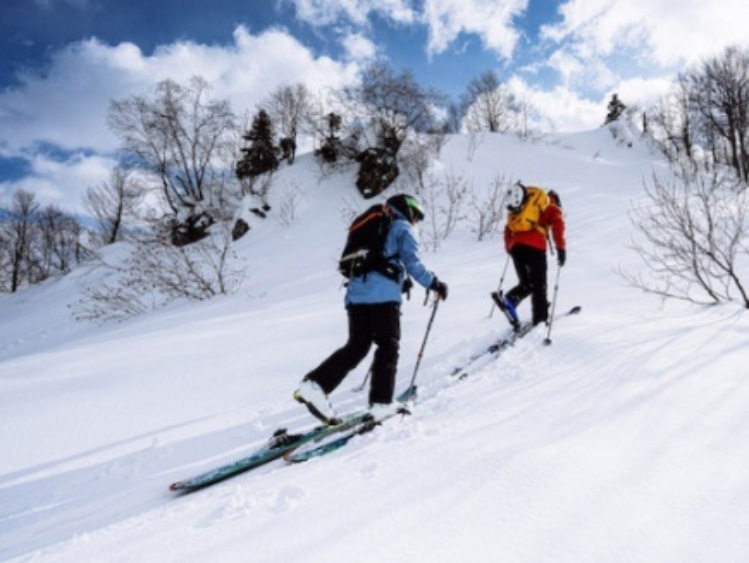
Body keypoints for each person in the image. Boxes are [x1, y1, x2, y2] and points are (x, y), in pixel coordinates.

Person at [293, 194, 448, 425]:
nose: (415, 222)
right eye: (416, 216)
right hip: (383, 298)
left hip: (356, 296)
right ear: (408, 210)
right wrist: (435, 283)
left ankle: (315, 385)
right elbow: (414, 264)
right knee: (388, 345)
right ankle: (381, 403)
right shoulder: (402, 227)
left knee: (357, 346)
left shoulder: (374, 226)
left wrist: (400, 279)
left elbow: (379, 260)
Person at [500, 184, 566, 327]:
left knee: (527, 283)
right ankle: (541, 319)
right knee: (539, 284)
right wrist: (561, 248)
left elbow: (507, 228)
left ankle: (511, 299)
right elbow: (558, 225)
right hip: (535, 247)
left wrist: (509, 247)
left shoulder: (526, 206)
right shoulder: (550, 206)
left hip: (516, 247)